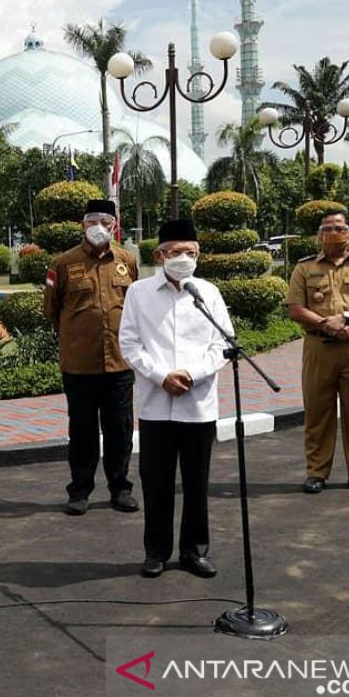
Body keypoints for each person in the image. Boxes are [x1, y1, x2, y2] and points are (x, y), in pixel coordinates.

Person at [118, 219, 232, 579]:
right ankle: (156, 551)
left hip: (198, 406)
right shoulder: (138, 293)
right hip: (155, 404)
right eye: (176, 252)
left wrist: (194, 374)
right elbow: (130, 344)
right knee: (157, 482)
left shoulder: (208, 293)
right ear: (159, 255)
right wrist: (160, 376)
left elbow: (224, 343)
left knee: (197, 482)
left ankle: (194, 551)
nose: (184, 258)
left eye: (191, 252)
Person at [42, 199, 140, 516]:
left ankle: (120, 488)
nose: (100, 227)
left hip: (120, 363)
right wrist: (78, 335)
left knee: (120, 430)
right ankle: (80, 491)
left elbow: (136, 305)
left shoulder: (127, 260)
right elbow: (51, 310)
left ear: (114, 226)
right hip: (79, 365)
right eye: (93, 221)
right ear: (83, 224)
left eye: (106, 222)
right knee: (82, 431)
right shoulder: (63, 263)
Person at [287, 210, 349, 495]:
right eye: (327, 228)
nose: (333, 232)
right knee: (318, 411)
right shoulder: (304, 268)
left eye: (339, 227)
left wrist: (344, 319)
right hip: (319, 347)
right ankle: (317, 472)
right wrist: (326, 325)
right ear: (319, 235)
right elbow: (296, 308)